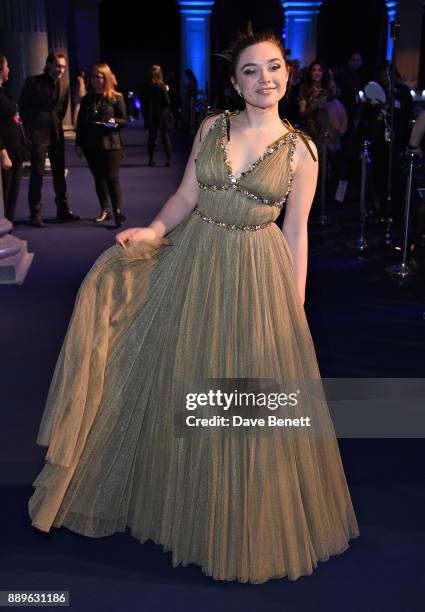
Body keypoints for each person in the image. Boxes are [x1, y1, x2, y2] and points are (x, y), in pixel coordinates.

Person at [28, 29, 359, 584]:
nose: (264, 79)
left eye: (274, 67)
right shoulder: (214, 127)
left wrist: (295, 306)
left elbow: (297, 232)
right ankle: (175, 504)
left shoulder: (301, 150)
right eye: (251, 70)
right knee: (172, 373)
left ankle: (240, 521)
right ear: (235, 81)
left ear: (288, 73)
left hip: (258, 276)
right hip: (194, 260)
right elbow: (186, 195)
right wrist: (153, 230)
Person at [19, 52, 80, 227]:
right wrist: (30, 129)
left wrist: (54, 123)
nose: (61, 69)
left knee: (59, 173)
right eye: (58, 66)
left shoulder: (65, 85)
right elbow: (23, 107)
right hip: (38, 133)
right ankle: (35, 213)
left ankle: (63, 209)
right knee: (37, 174)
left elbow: (61, 110)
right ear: (48, 65)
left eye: (63, 66)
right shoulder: (33, 82)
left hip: (56, 133)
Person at [75, 63, 128, 227]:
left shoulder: (116, 97)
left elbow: (124, 120)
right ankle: (105, 209)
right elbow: (81, 123)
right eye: (93, 76)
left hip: (111, 144)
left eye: (99, 76)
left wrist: (111, 123)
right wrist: (78, 144)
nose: (96, 80)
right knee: (99, 178)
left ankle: (118, 212)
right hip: (91, 144)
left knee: (112, 178)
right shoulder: (87, 99)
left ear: (106, 78)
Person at [0, 53, 26, 224]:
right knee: (5, 195)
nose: (9, 69)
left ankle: (8, 227)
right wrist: (3, 153)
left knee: (12, 197)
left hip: (16, 151)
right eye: (7, 65)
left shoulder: (4, 91)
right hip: (6, 153)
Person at [142, 65, 172, 167]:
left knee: (152, 138)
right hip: (162, 114)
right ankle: (168, 160)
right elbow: (167, 102)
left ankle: (151, 160)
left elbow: (144, 101)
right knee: (165, 137)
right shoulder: (162, 86)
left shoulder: (146, 85)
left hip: (151, 114)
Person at [299, 61, 331, 153]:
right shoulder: (305, 90)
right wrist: (314, 106)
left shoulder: (327, 91)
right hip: (309, 131)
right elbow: (301, 113)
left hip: (325, 131)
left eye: (320, 70)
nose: (317, 73)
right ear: (310, 73)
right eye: (314, 70)